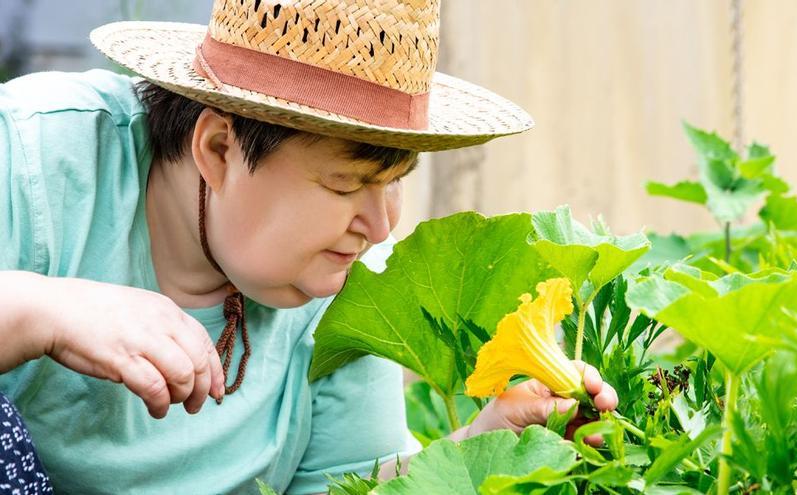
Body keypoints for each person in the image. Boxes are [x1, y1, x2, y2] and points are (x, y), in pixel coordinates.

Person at [0, 0, 619, 493]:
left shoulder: (346, 280)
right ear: (220, 149)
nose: (380, 228)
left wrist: (491, 443)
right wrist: (41, 311)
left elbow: (348, 488)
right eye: (345, 182)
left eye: (393, 181)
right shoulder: (35, 157)